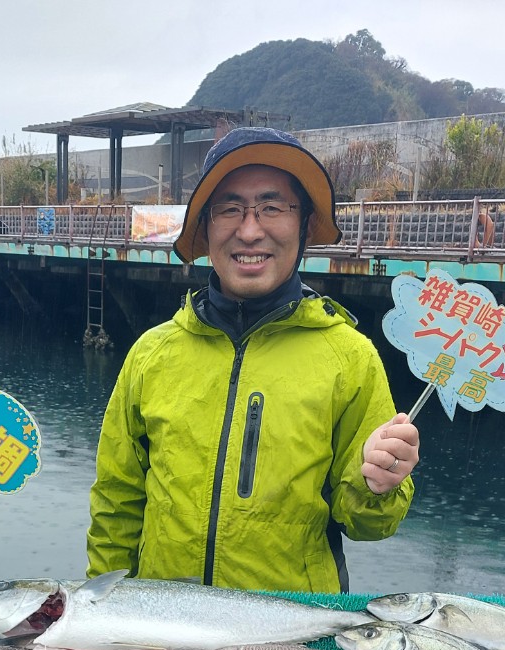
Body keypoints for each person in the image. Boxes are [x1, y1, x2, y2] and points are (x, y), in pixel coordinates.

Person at [86, 127, 418, 593]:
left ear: (303, 223)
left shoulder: (350, 357)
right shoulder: (151, 353)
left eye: (271, 207)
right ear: (204, 227)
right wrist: (105, 608)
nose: (249, 229)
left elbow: (368, 526)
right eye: (228, 209)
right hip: (161, 630)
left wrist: (377, 486)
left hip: (287, 637)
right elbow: (116, 503)